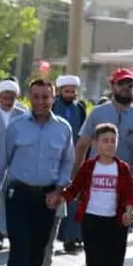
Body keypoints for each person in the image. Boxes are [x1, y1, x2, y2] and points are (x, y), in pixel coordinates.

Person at [0, 79, 74, 266]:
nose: (41, 102)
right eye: (36, 97)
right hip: (19, 194)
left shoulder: (63, 128)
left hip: (47, 197)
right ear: (29, 98)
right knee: (20, 247)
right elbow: (2, 161)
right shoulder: (16, 127)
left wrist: (58, 190)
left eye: (45, 97)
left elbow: (67, 162)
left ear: (53, 98)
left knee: (38, 248)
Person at [62, 123, 133, 266]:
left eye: (113, 141)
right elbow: (75, 188)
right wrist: (60, 197)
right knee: (94, 260)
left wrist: (129, 211)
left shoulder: (122, 168)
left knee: (114, 259)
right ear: (95, 144)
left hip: (115, 221)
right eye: (105, 141)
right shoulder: (89, 167)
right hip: (92, 219)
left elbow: (130, 195)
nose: (109, 145)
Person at [0, 79, 28, 251]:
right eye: (4, 97)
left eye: (11, 98)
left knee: (14, 197)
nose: (8, 101)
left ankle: (12, 230)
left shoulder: (23, 113)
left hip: (17, 161)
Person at [53, 74, 89, 253]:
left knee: (74, 198)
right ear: (60, 91)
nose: (70, 94)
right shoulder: (52, 106)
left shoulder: (80, 108)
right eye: (66, 91)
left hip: (75, 158)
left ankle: (71, 237)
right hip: (54, 158)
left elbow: (85, 134)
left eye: (72, 91)